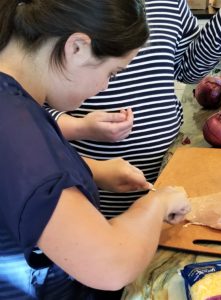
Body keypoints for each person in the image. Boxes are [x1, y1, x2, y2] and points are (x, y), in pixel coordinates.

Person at [0, 0, 191, 299]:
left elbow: (16, 180)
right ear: (76, 47)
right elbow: (111, 266)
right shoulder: (13, 122)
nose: (104, 87)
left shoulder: (15, 101)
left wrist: (93, 170)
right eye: (113, 73)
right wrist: (157, 204)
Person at [47, 0, 221, 219]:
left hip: (165, 165)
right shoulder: (64, 8)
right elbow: (24, 109)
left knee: (158, 239)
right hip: (94, 178)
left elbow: (187, 71)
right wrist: (81, 128)